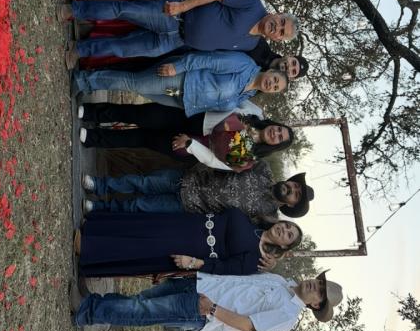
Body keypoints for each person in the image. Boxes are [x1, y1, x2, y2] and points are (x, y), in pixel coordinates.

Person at [57, 0, 300, 66]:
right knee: (124, 9)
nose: (276, 28)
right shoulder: (252, 3)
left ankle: (79, 50)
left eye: (281, 32)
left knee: (123, 49)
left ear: (278, 40)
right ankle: (74, 11)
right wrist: (182, 6)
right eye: (281, 22)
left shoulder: (250, 44)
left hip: (174, 42)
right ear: (278, 13)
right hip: (175, 15)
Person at [69, 270, 343, 331]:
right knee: (141, 300)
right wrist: (197, 275)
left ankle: (85, 311)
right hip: (199, 284)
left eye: (320, 293)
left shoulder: (287, 316)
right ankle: (93, 302)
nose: (315, 286)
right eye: (319, 282)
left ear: (315, 305)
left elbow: (249, 325)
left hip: (202, 311)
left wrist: (211, 308)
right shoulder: (280, 279)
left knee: (142, 311)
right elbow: (236, 279)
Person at [74, 207, 302, 277]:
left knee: (145, 247)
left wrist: (193, 262)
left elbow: (225, 268)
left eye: (288, 235)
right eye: (287, 225)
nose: (284, 229)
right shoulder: (254, 219)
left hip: (192, 249)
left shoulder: (258, 261)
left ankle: (89, 248)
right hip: (187, 223)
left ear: (284, 246)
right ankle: (94, 228)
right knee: (143, 225)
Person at [79, 105, 294, 172]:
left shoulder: (249, 158)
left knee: (141, 138)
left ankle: (93, 138)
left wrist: (191, 144)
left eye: (279, 138)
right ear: (275, 124)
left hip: (190, 145)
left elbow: (215, 161)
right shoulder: (254, 113)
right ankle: (91, 113)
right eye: (279, 129)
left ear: (276, 145)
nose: (275, 133)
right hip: (193, 118)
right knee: (142, 114)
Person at [71, 51, 289, 115]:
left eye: (275, 88)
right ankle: (83, 80)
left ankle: (89, 82)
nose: (272, 84)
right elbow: (208, 60)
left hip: (180, 100)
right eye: (275, 79)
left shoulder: (246, 97)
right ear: (271, 70)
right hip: (181, 77)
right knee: (133, 83)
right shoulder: (244, 65)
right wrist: (179, 66)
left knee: (136, 87)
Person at [80, 160, 314, 220]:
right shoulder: (262, 168)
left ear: (291, 205)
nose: (292, 188)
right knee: (141, 182)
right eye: (296, 185)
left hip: (189, 206)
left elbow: (263, 242)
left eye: (296, 194)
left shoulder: (268, 216)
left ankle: (99, 208)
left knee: (139, 206)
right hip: (188, 178)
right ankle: (98, 185)